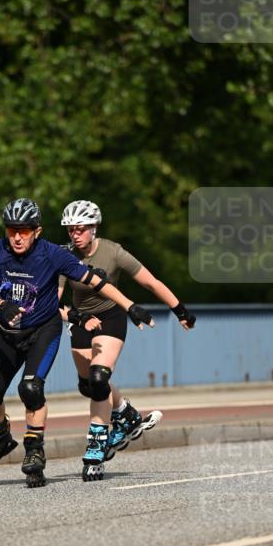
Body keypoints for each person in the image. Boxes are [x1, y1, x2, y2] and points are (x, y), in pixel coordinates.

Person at [0, 197, 155, 488]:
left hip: (43, 331)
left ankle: (34, 451)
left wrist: (130, 306)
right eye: (11, 230)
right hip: (6, 335)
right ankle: (0, 437)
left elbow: (96, 282)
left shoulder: (52, 254)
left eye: (24, 230)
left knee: (30, 389)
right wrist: (0, 305)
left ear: (37, 231)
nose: (17, 237)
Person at [58, 199, 196, 480]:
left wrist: (180, 310)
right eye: (70, 229)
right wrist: (75, 317)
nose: (75, 234)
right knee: (88, 386)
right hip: (80, 320)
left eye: (80, 229)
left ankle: (96, 446)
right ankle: (125, 413)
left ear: (94, 228)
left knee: (99, 379)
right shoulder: (64, 256)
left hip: (111, 317)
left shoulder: (113, 252)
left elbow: (150, 281)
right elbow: (53, 301)